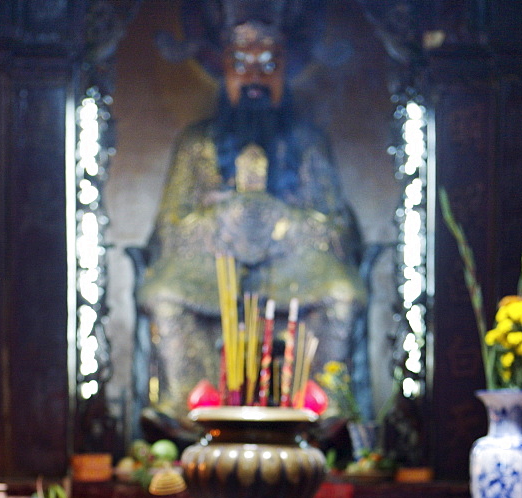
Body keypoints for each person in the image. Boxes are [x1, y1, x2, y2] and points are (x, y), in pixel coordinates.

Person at [133, 15, 371, 427]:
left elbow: (337, 228)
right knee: (164, 293)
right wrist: (216, 219)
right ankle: (186, 410)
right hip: (212, 269)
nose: (255, 77)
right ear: (222, 70)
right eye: (242, 64)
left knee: (343, 293)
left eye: (268, 65)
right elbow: (170, 226)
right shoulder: (197, 144)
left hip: (290, 271)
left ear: (286, 71)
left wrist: (287, 221)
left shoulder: (308, 143)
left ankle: (325, 409)